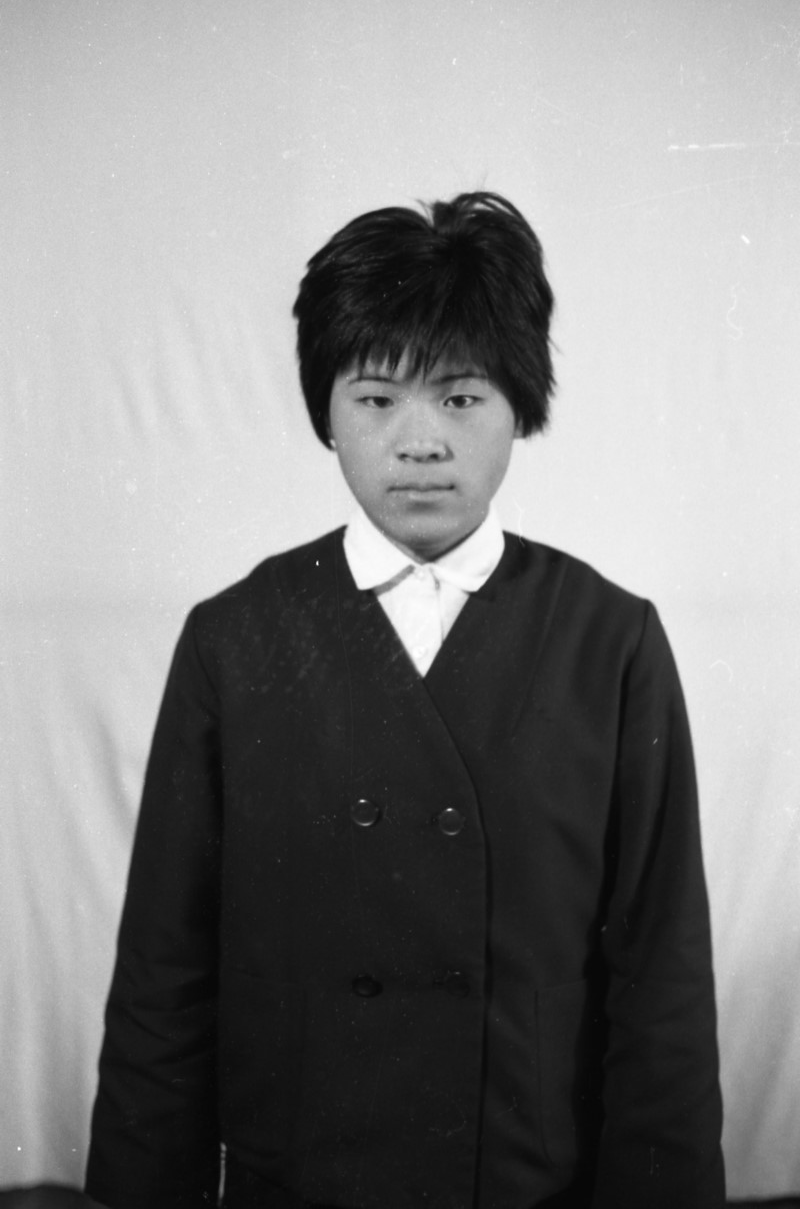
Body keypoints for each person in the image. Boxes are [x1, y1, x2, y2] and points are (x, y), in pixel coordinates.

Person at [85, 192, 725, 1209]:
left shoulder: (610, 640)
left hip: (525, 1187)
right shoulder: (233, 640)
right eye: (377, 398)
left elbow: (662, 982)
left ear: (520, 407)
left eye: (461, 397)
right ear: (326, 414)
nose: (419, 441)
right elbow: (165, 978)